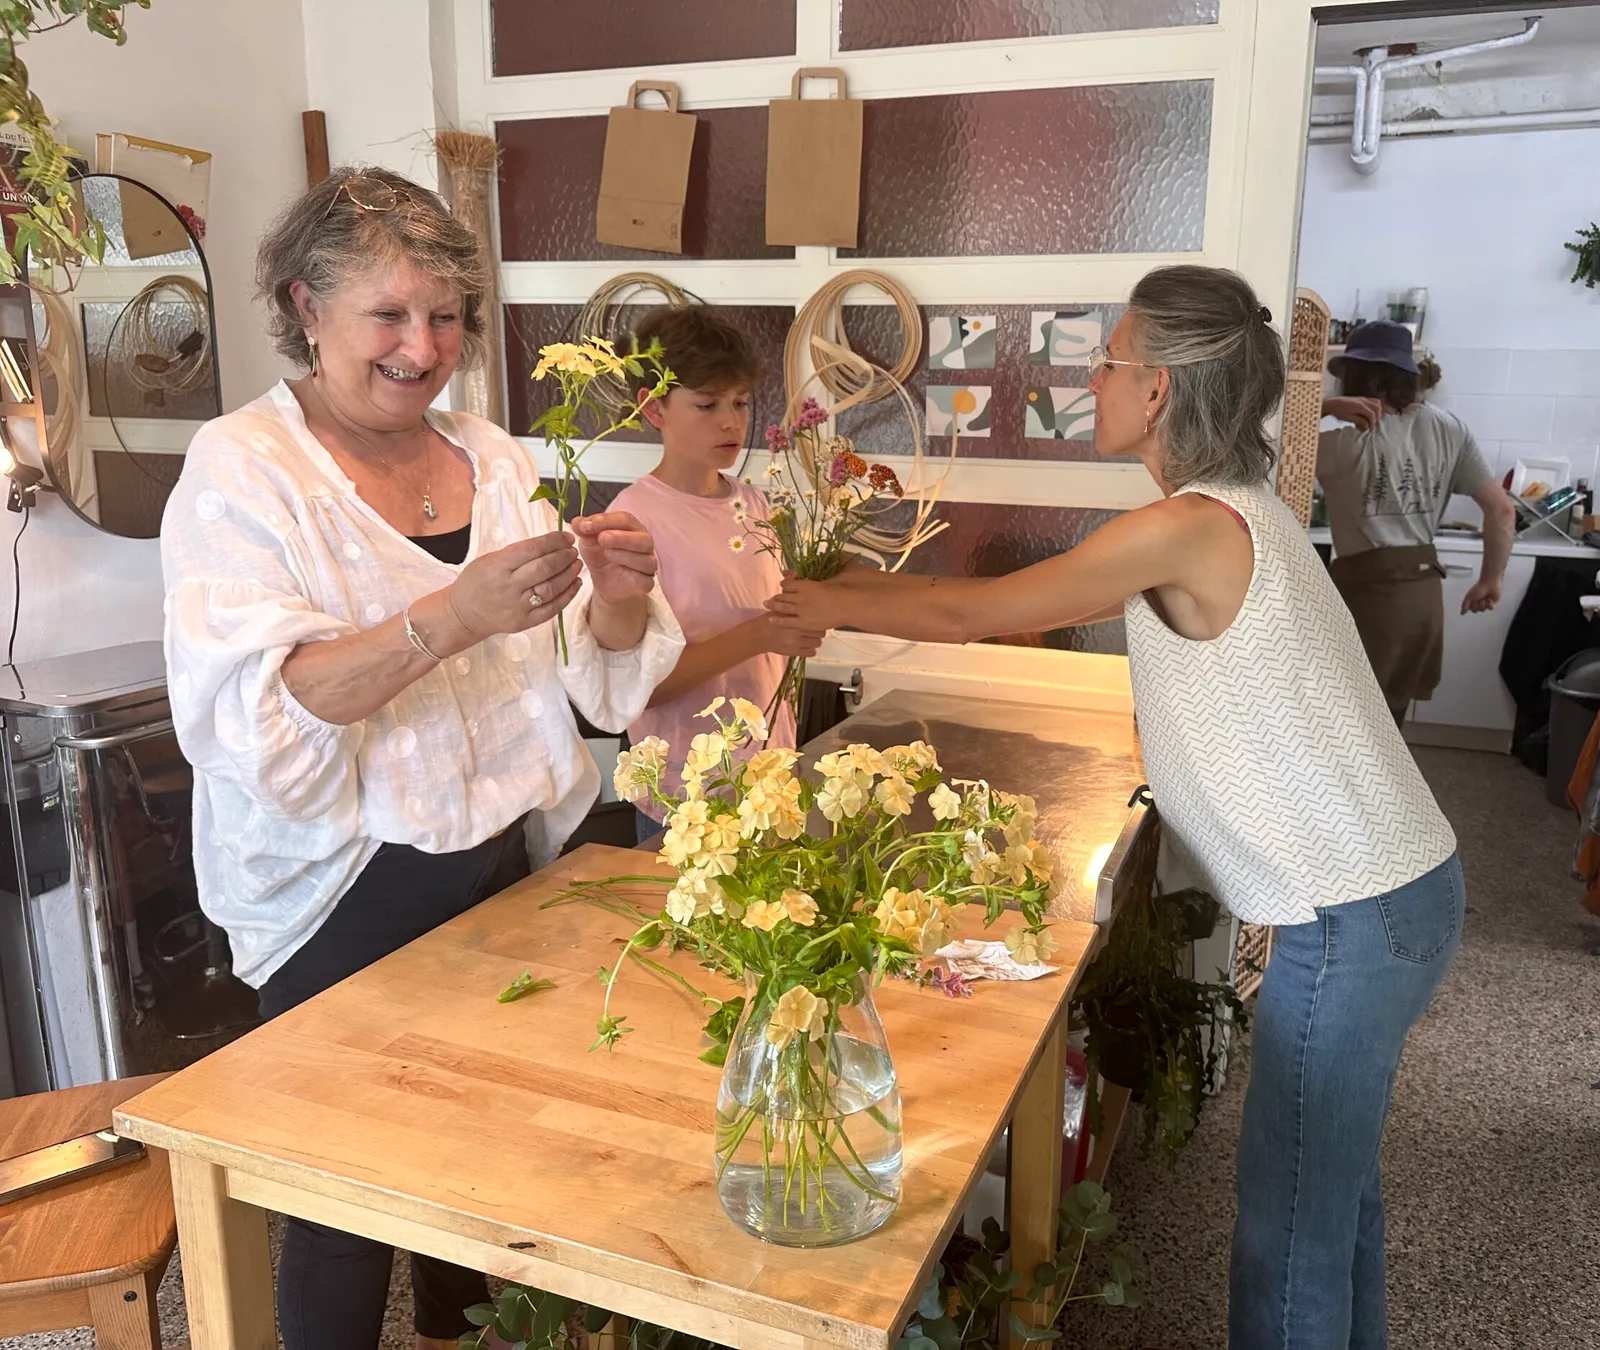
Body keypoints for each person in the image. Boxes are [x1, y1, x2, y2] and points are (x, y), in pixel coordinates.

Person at [769, 266, 1463, 1350]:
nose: (1090, 377)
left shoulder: (1190, 527)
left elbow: (975, 608)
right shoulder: (1236, 514)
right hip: (1387, 899)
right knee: (1335, 1202)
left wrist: (825, 598)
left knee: (1288, 1231)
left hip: (1358, 919)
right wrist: (829, 592)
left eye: (1108, 360)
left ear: (1161, 392)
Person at [160, 166, 684, 1350]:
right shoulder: (245, 471)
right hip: (342, 890)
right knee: (345, 1196)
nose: (422, 346)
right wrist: (450, 615)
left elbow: (576, 678)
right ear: (305, 305)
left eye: (445, 316)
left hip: (498, 866)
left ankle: (468, 1337)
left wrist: (614, 602)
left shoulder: (493, 457)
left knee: (490, 1164)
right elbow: (254, 714)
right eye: (388, 315)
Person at [609, 306, 825, 842]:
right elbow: (634, 689)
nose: (731, 421)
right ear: (653, 408)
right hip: (686, 797)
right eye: (707, 404)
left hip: (768, 781)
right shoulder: (633, 524)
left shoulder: (757, 505)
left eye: (741, 402)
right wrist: (762, 635)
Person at [1318, 320, 1515, 723]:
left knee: (1349, 727)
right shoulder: (1449, 428)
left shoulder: (1340, 441)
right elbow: (1502, 510)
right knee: (1390, 724)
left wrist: (1318, 406)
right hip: (1424, 597)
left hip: (1369, 598)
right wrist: (1490, 580)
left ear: (1355, 378)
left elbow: (1254, 434)